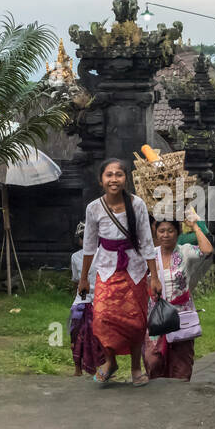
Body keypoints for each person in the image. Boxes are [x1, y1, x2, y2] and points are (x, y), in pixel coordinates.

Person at [78, 158, 159, 385]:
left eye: (119, 175)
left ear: (126, 179)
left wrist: (154, 277)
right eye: (109, 175)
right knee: (102, 319)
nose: (114, 179)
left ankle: (135, 368)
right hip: (106, 270)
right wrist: (83, 278)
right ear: (101, 180)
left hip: (134, 271)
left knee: (134, 323)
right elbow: (89, 245)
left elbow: (146, 243)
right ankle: (110, 361)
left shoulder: (138, 205)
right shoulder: (93, 208)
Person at [144, 211, 214, 381]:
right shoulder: (149, 256)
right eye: (162, 231)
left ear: (177, 233)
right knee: (152, 359)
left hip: (181, 313)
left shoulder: (185, 252)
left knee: (182, 361)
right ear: (156, 233)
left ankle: (179, 394)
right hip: (157, 315)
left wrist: (195, 226)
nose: (166, 235)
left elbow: (207, 250)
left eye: (170, 231)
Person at [69, 222, 102, 376]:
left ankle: (101, 369)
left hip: (100, 299)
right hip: (82, 300)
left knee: (99, 336)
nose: (87, 240)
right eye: (83, 237)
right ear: (80, 240)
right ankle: (77, 368)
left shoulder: (103, 255)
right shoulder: (75, 257)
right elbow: (76, 280)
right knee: (75, 330)